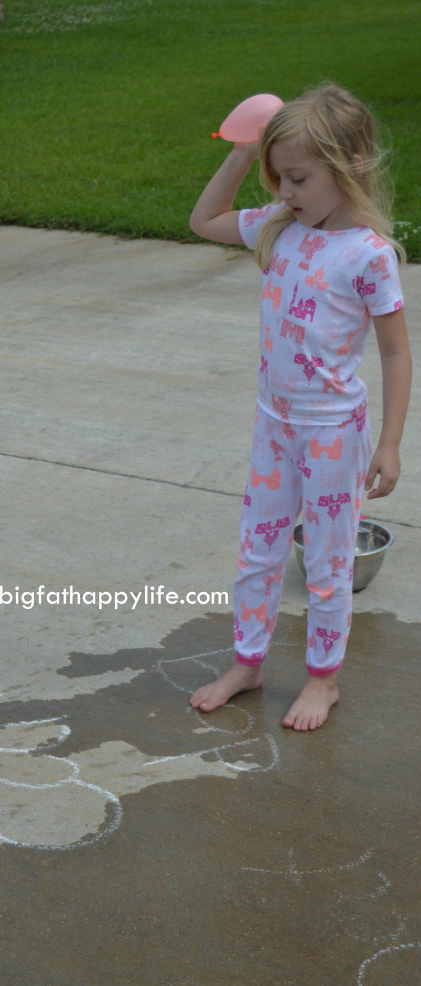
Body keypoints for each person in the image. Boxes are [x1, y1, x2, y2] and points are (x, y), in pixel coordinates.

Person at [188, 84, 412, 730]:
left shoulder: (366, 256)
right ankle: (248, 660)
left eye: (297, 178)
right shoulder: (278, 228)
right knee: (256, 549)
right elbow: (203, 221)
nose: (282, 191)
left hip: (331, 435)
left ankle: (323, 679)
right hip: (273, 425)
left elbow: (395, 354)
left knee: (326, 561)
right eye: (276, 176)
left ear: (349, 170)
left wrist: (389, 442)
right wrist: (239, 152)